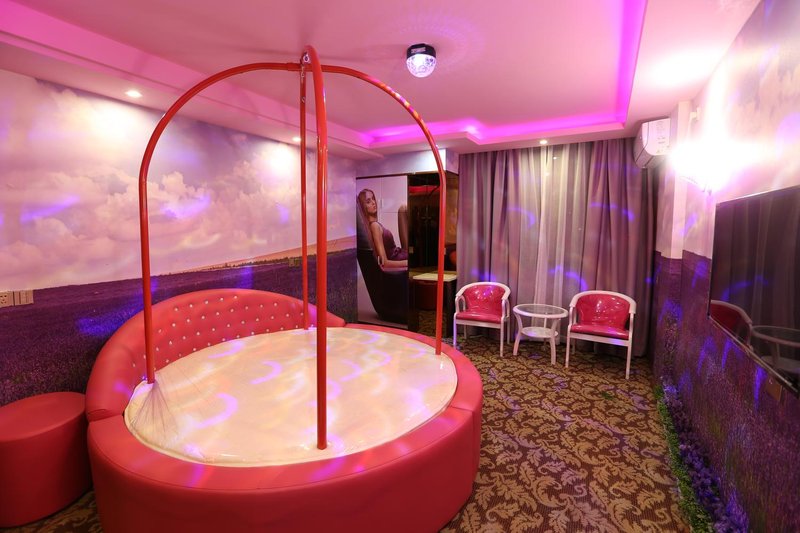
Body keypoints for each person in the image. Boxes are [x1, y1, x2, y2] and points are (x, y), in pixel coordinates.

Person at [357, 188, 408, 268]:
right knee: (403, 209)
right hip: (401, 259)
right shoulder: (374, 226)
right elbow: (385, 263)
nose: (373, 202)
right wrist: (407, 263)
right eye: (368, 201)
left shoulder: (375, 224)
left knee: (403, 209)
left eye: (373, 198)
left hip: (401, 254)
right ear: (364, 207)